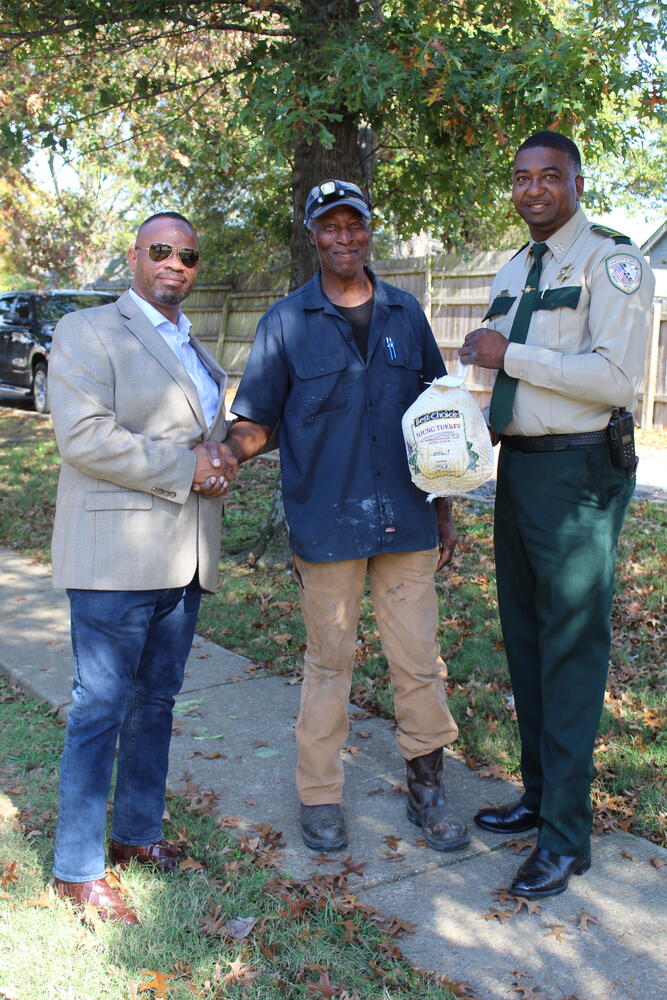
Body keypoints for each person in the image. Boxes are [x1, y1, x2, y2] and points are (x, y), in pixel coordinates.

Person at [222, 179, 468, 854]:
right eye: (329, 226)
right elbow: (256, 421)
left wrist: (443, 510)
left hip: (408, 522)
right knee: (329, 663)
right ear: (311, 234)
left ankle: (427, 793)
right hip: (327, 525)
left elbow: (436, 421)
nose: (342, 237)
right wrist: (217, 457)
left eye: (352, 225)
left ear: (368, 230)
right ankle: (320, 797)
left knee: (417, 662)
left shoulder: (404, 313)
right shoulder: (285, 322)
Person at [459, 132, 654, 898]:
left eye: (548, 176)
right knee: (526, 640)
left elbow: (613, 379)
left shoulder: (613, 261)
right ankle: (540, 798)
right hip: (517, 469)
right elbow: (490, 371)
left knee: (570, 651)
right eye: (519, 178)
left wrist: (507, 356)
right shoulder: (514, 266)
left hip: (578, 472)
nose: (532, 188)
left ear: (575, 181)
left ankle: (567, 839)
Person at [49, 212, 237, 922]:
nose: (175, 264)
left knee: (155, 705)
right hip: (112, 559)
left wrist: (219, 462)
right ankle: (77, 869)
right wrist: (188, 467)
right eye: (161, 251)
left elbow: (203, 440)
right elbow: (85, 439)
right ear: (133, 257)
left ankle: (135, 837)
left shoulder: (195, 346)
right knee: (98, 710)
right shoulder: (87, 332)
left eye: (188, 255)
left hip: (182, 560)